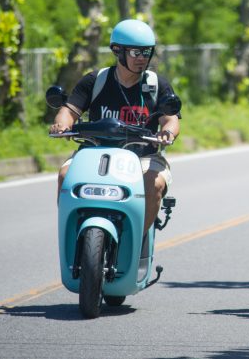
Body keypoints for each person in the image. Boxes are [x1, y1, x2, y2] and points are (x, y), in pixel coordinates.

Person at [49, 19, 181, 236]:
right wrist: (62, 125)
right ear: (118, 51)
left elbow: (171, 118)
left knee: (154, 184)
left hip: (143, 157)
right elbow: (69, 111)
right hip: (94, 152)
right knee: (65, 175)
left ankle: (136, 239)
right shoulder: (95, 81)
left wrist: (167, 132)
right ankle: (72, 235)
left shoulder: (157, 84)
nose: (142, 58)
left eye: (146, 52)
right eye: (136, 53)